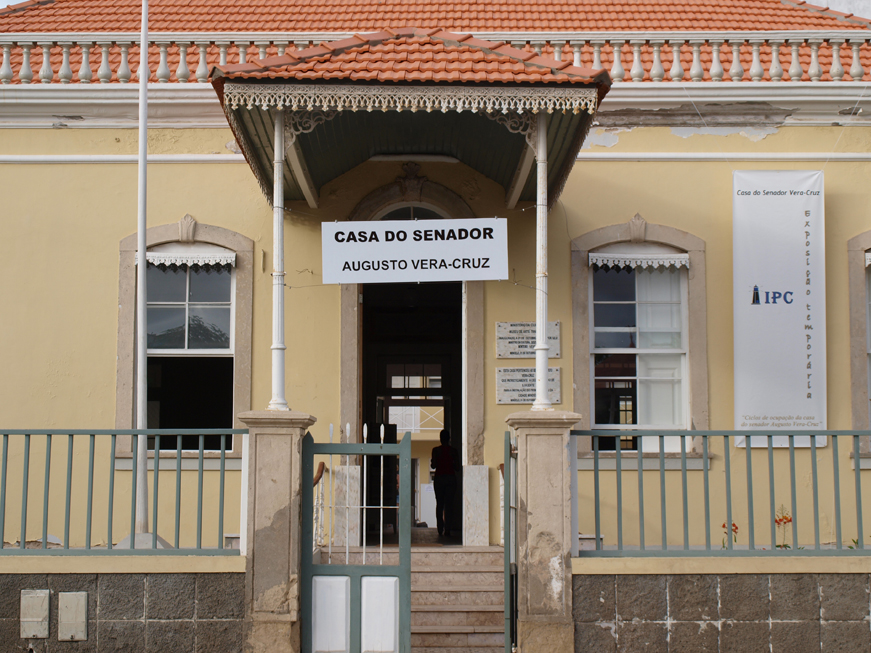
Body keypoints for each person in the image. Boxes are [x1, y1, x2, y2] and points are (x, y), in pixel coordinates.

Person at [431, 429, 460, 538]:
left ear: (440, 438)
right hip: (450, 479)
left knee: (440, 504)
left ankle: (440, 528)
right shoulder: (453, 451)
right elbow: (457, 468)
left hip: (439, 479)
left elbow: (433, 465)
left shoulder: (436, 450)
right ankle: (447, 529)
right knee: (449, 505)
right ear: (449, 438)